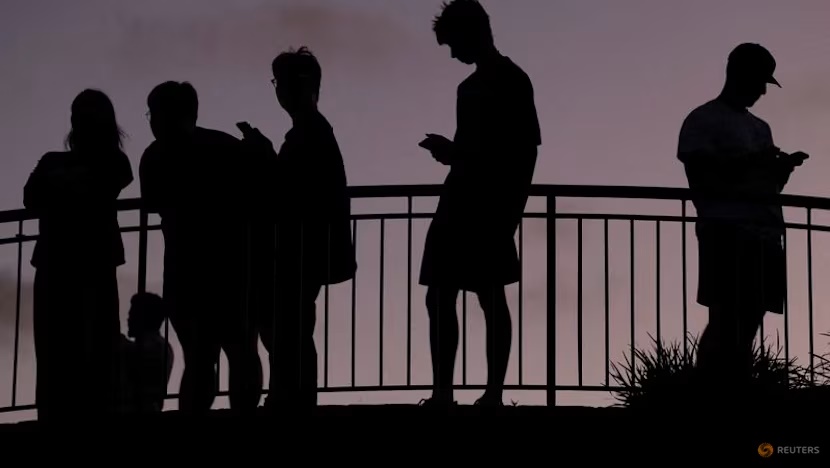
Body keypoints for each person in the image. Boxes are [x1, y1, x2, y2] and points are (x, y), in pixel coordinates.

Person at [417, 0, 541, 407]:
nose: (452, 53)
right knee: (442, 296)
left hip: (489, 205)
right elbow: (486, 150)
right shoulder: (470, 87)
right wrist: (453, 154)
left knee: (487, 296)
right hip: (460, 200)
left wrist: (510, 212)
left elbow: (524, 152)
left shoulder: (511, 80)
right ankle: (445, 393)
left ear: (474, 33)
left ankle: (490, 393)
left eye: (453, 42)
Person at [677, 43, 809, 393]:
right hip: (725, 230)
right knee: (725, 317)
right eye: (759, 81)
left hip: (764, 233)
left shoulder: (761, 127)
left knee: (750, 318)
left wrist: (781, 170)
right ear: (738, 75)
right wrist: (756, 163)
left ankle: (732, 389)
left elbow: (768, 184)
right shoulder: (703, 118)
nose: (763, 90)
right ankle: (707, 391)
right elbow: (702, 175)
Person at [238, 47, 356, 411]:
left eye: (281, 82)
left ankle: (290, 399)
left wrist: (263, 154)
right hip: (307, 247)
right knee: (291, 327)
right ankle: (291, 397)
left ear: (299, 85)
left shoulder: (309, 133)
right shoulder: (312, 131)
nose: (278, 90)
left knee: (288, 328)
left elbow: (291, 189)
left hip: (302, 247)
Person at [139, 81, 262, 413]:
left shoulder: (154, 156)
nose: (151, 121)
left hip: (185, 270)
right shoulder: (226, 146)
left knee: (198, 359)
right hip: (234, 266)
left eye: (153, 113)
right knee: (241, 352)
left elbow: (152, 203)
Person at [24, 89, 133, 421]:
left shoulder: (107, 161)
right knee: (60, 347)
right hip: (70, 263)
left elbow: (101, 185)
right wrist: (77, 185)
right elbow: (32, 196)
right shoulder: (57, 160)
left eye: (82, 114)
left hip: (85, 264)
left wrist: (62, 185)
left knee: (86, 346)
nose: (76, 120)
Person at [119, 292, 174, 414]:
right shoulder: (161, 345)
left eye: (133, 314)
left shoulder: (153, 348)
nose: (128, 318)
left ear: (144, 317)